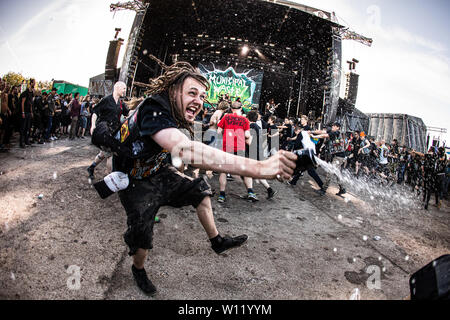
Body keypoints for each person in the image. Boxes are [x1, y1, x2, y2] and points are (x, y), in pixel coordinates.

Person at [109, 59, 297, 295]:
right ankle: (138, 269)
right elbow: (185, 150)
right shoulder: (154, 106)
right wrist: (260, 167)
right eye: (192, 93)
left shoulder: (170, 110)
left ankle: (217, 242)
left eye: (202, 95)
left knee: (200, 190)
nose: (198, 101)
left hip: (156, 172)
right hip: (135, 182)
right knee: (142, 239)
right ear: (173, 90)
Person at [217, 101, 258, 202]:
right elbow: (247, 135)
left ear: (231, 109)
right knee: (246, 170)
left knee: (223, 171)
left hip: (227, 147)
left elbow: (218, 131)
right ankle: (250, 192)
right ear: (241, 109)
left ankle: (222, 195)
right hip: (240, 148)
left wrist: (226, 132)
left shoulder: (226, 117)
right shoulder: (244, 120)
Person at [87, 82, 129, 179]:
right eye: (123, 88)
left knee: (104, 153)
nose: (125, 90)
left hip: (114, 132)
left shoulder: (121, 103)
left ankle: (91, 167)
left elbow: (128, 113)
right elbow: (95, 113)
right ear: (117, 88)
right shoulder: (106, 100)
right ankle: (109, 178)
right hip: (104, 131)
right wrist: (93, 125)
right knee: (110, 154)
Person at [246, 110, 277, 199]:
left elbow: (249, 141)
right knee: (255, 174)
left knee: (249, 174)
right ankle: (269, 190)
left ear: (248, 118)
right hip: (257, 152)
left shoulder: (251, 126)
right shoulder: (257, 127)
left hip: (253, 153)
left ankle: (251, 193)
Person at [310, 123, 346, 196]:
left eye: (334, 126)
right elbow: (322, 132)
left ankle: (323, 190)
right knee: (337, 173)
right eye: (332, 126)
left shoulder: (336, 133)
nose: (332, 127)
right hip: (337, 156)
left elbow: (324, 135)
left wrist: (314, 136)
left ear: (338, 128)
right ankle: (342, 189)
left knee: (330, 172)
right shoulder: (333, 132)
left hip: (339, 157)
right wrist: (311, 131)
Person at [19, 79, 35, 148]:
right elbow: (22, 103)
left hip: (29, 112)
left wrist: (31, 112)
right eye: (34, 83)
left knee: (28, 128)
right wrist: (23, 112)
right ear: (30, 83)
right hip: (24, 112)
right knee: (23, 128)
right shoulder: (25, 92)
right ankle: (21, 142)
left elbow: (31, 103)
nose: (34, 84)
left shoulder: (32, 93)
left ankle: (26, 141)